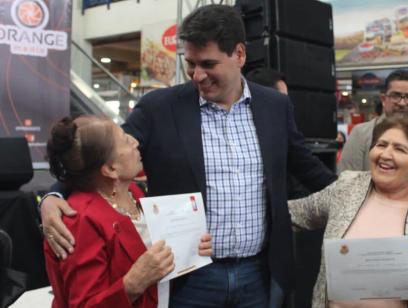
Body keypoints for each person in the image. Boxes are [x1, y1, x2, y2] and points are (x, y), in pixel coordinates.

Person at [40, 5, 336, 308]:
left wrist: (365, 194)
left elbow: (308, 168)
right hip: (188, 279)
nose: (197, 75)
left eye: (208, 64)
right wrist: (53, 196)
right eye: (190, 63)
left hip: (259, 274)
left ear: (239, 55)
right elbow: (102, 157)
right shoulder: (159, 108)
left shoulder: (275, 106)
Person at [289, 111, 408, 308]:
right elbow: (295, 213)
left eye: (399, 149)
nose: (385, 154)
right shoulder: (346, 187)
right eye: (381, 145)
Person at [44, 115, 213, 307]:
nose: (135, 142)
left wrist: (188, 249)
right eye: (125, 140)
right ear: (110, 169)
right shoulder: (81, 220)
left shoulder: (133, 192)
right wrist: (132, 284)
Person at [338, 69, 408, 195]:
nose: (402, 103)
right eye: (395, 96)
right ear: (383, 99)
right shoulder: (361, 134)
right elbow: (346, 185)